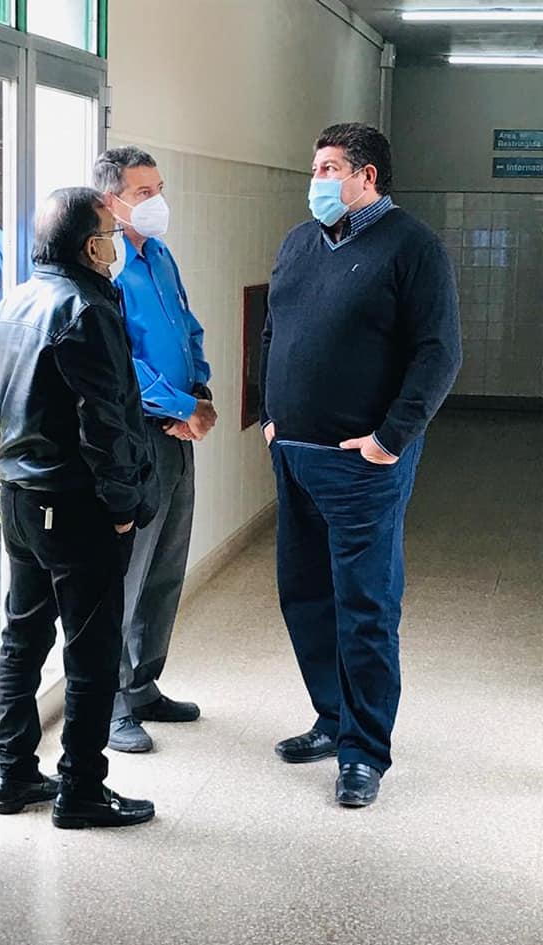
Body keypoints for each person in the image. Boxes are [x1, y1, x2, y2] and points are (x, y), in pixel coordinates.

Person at [260, 123, 462, 807]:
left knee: (365, 606)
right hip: (295, 456)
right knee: (305, 595)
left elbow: (439, 353)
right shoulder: (300, 242)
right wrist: (271, 417)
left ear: (366, 175)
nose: (315, 181)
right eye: (315, 168)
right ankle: (332, 717)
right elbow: (274, 329)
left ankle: (364, 752)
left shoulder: (412, 247)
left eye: (327, 169)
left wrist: (389, 439)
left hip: (362, 465)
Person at [0, 187, 159, 828]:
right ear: (91, 246)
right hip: (76, 504)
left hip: (20, 500)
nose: (115, 246)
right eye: (110, 235)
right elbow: (105, 423)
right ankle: (81, 790)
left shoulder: (14, 301)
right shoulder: (86, 309)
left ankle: (14, 777)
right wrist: (123, 505)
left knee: (22, 639)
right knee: (91, 652)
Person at [92, 146, 217, 753]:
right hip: (139, 434)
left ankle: (143, 686)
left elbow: (188, 330)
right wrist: (180, 406)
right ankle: (111, 703)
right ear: (111, 201)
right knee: (130, 570)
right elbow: (121, 364)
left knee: (167, 562)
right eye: (143, 193)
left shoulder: (160, 256)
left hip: (179, 430)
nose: (157, 202)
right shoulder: (109, 269)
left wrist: (201, 393)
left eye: (159, 189)